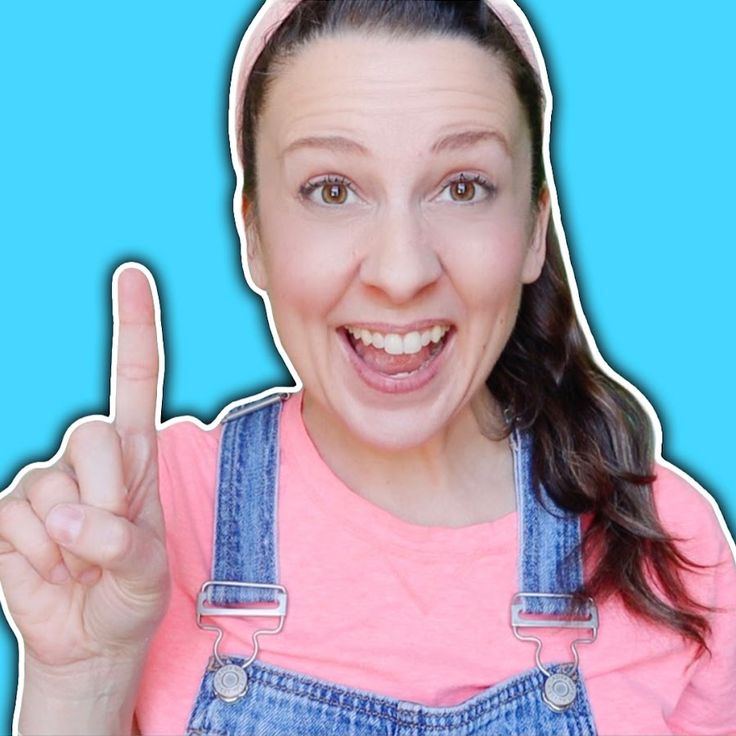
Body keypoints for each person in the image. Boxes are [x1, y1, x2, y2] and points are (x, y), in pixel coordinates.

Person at [1, 0, 735, 734]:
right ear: (252, 233)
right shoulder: (146, 517)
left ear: (534, 230)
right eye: (332, 190)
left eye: (463, 186)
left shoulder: (668, 548)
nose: (400, 270)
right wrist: (80, 685)